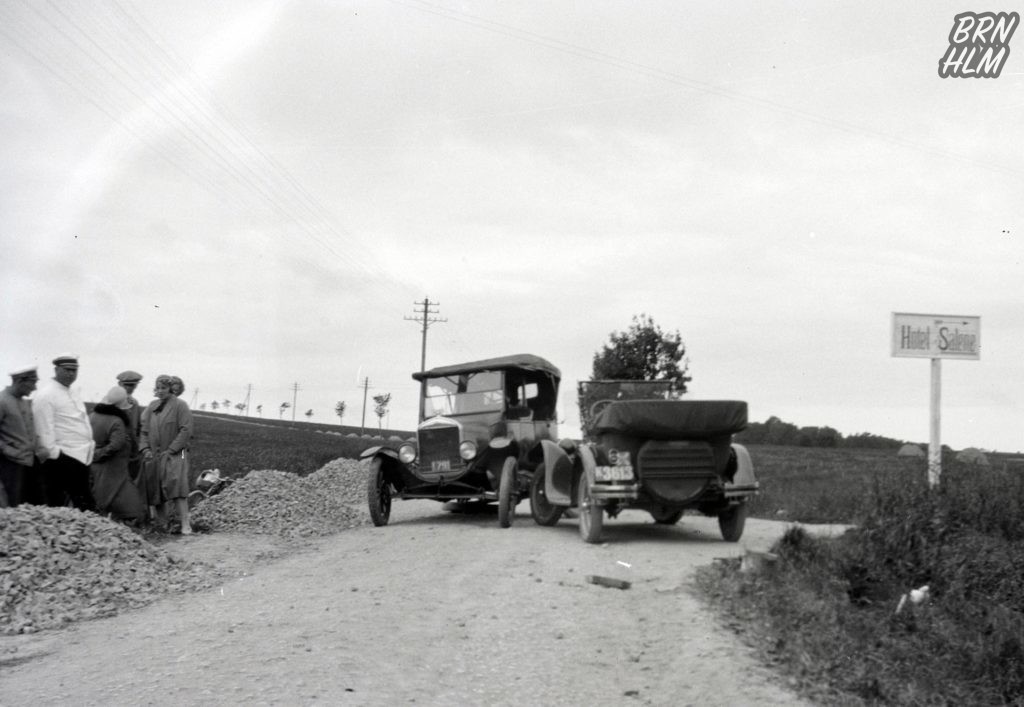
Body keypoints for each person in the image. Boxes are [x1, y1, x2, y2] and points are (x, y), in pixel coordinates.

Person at [32, 354, 95, 511]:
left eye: (74, 370)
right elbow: (43, 429)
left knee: (81, 503)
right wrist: (56, 455)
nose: (71, 374)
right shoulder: (46, 395)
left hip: (82, 455)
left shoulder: (73, 392)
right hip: (63, 456)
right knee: (63, 503)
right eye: (67, 370)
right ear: (56, 369)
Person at [139, 374, 194, 534]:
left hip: (180, 452)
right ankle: (163, 524)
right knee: (155, 487)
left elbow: (185, 430)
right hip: (155, 454)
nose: (161, 391)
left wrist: (172, 450)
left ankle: (185, 523)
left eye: (164, 388)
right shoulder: (152, 406)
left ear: (171, 389)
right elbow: (144, 430)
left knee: (178, 484)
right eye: (158, 388)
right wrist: (145, 449)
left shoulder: (180, 405)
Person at [89, 386, 146, 523]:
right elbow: (116, 445)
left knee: (97, 497)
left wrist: (92, 454)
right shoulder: (117, 421)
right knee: (133, 509)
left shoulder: (92, 416)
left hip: (94, 467)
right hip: (115, 470)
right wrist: (99, 453)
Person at [0, 365, 39, 507]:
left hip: (28, 462)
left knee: (27, 506)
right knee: (13, 505)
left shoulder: (23, 401)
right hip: (10, 464)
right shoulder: (2, 400)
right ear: (19, 381)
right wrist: (7, 450)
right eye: (33, 382)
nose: (34, 388)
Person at [116, 370, 144, 480]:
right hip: (117, 444)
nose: (130, 388)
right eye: (126, 385)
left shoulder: (134, 402)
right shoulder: (114, 400)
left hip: (131, 446)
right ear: (120, 384)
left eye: (132, 385)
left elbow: (137, 426)